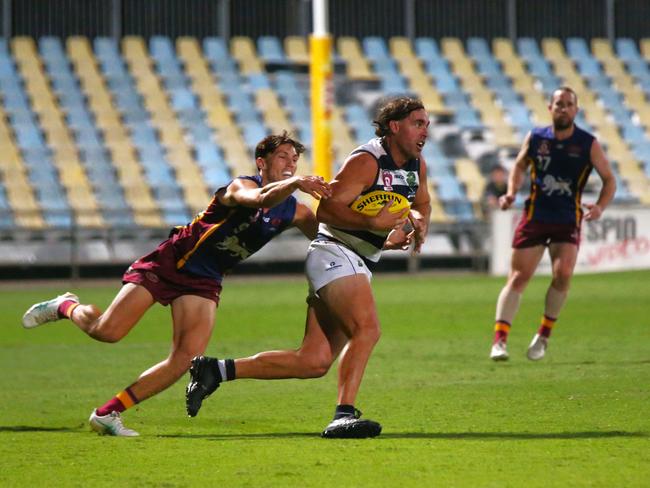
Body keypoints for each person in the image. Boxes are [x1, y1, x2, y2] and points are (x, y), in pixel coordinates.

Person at [21, 132, 332, 436]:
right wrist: (294, 183)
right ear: (261, 162)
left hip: (205, 279)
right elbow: (259, 198)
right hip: (171, 262)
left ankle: (107, 413)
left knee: (185, 358)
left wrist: (376, 239)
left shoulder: (295, 212)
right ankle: (65, 305)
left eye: (295, 159)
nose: (290, 163)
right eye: (282, 157)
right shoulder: (241, 186)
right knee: (107, 331)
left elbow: (330, 237)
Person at [186, 96, 431, 439]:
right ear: (395, 126)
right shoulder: (366, 161)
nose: (425, 131)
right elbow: (327, 212)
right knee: (368, 329)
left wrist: (417, 224)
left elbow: (421, 202)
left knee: (313, 361)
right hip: (334, 251)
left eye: (426, 124)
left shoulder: (417, 165)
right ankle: (343, 415)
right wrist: (374, 223)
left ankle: (216, 370)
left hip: (356, 258)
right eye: (418, 123)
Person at [490, 86, 616, 361]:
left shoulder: (587, 143)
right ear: (550, 108)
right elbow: (520, 166)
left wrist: (601, 206)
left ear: (576, 110)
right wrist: (512, 191)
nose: (563, 108)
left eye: (569, 104)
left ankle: (543, 335)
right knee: (518, 277)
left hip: (567, 219)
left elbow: (609, 179)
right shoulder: (536, 137)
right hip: (535, 217)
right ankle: (499, 341)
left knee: (563, 274)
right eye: (559, 103)